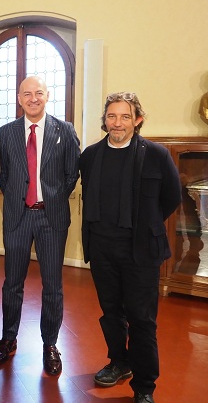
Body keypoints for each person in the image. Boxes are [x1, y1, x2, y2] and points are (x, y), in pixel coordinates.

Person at [80, 92, 181, 403]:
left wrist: (147, 225)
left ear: (137, 120)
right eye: (112, 116)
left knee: (141, 320)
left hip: (141, 251)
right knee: (111, 313)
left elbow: (172, 197)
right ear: (104, 120)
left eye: (125, 116)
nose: (117, 123)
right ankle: (119, 362)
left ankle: (144, 386)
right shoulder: (90, 155)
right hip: (101, 248)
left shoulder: (156, 154)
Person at [0, 76, 80, 376]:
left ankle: (50, 344)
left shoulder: (64, 130)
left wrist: (52, 198)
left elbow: (72, 173)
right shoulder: (6, 133)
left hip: (51, 218)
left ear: (47, 96)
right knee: (12, 283)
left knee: (52, 285)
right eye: (27, 94)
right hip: (18, 216)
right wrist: (20, 197)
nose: (33, 98)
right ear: (19, 98)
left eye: (38, 93)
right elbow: (3, 174)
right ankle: (8, 338)